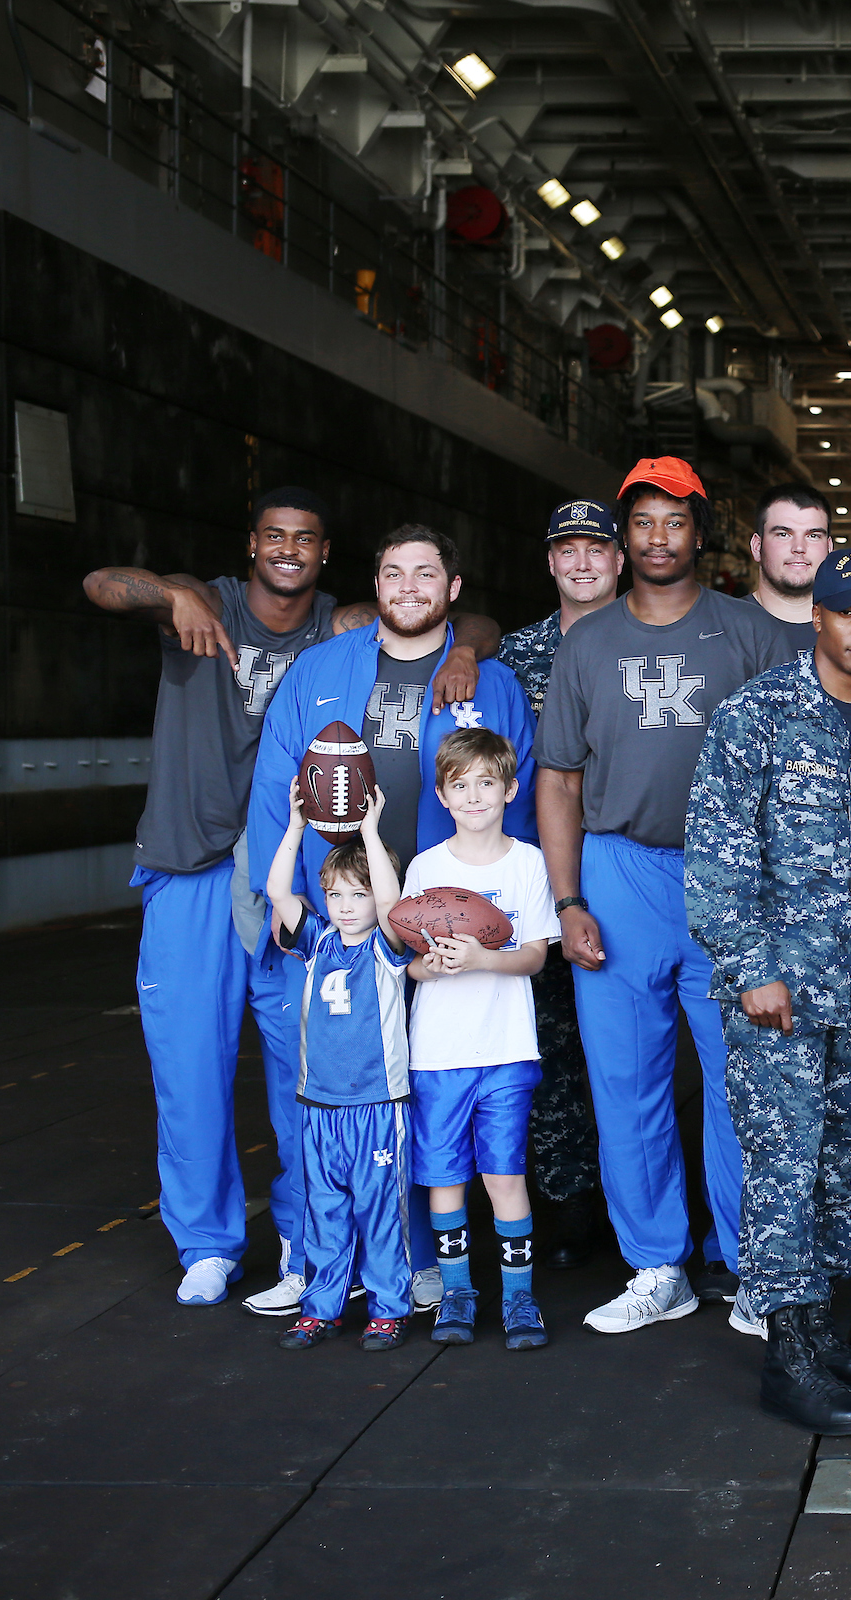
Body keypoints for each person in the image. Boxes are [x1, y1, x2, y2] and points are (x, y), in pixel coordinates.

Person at [82, 488, 495, 1311]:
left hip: (301, 873)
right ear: (251, 546)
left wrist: (468, 651)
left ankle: (309, 1243)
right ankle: (206, 1243)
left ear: (327, 553)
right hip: (195, 862)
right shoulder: (209, 605)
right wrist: (175, 593)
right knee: (191, 1064)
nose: (288, 550)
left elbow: (457, 618)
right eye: (274, 537)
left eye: (304, 539)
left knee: (310, 1067)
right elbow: (102, 583)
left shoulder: (338, 631)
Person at [247, 522, 538, 1314]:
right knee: (334, 1092)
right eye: (391, 573)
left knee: (428, 1093)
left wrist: (508, 913)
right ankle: (316, 1261)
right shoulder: (320, 669)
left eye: (425, 574)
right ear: (373, 587)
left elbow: (525, 796)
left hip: (445, 922)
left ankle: (414, 1261)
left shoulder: (492, 682)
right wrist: (281, 899)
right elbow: (279, 788)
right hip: (346, 919)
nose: (408, 587)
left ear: (453, 591)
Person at [536, 457, 794, 1335]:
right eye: (640, 522)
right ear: (623, 537)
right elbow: (561, 782)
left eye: (673, 521)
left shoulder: (749, 631)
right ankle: (657, 1265)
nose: (656, 537)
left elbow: (789, 768)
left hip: (727, 874)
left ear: (700, 531)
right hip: (619, 871)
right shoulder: (589, 642)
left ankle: (754, 1264)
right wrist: (567, 899)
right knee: (625, 1081)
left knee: (743, 1081)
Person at [685, 548, 851, 1434]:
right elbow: (717, 855)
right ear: (816, 616)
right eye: (846, 611)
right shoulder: (758, 714)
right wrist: (752, 970)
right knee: (783, 1170)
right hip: (779, 993)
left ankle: (816, 1325)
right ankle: (785, 1350)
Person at [496, 500, 626, 1272]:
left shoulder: (652, 644)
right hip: (539, 879)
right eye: (566, 550)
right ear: (549, 562)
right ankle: (570, 1207)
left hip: (630, 867)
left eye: (596, 549)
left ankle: (645, 1204)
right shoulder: (514, 656)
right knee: (551, 1046)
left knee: (635, 1053)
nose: (582, 563)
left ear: (619, 560)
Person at [402, 729, 562, 1352]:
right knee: (444, 1176)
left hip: (505, 1049)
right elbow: (408, 966)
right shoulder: (426, 867)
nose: (473, 796)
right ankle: (459, 1290)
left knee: (503, 1174)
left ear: (510, 790)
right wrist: (434, 966)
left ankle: (519, 1295)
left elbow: (533, 959)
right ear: (442, 795)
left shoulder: (525, 863)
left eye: (486, 784)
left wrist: (479, 958)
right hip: (438, 1051)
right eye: (459, 785)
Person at [263, 785, 413, 1352]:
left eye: (358, 894)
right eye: (335, 894)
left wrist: (371, 832)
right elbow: (278, 890)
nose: (346, 905)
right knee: (324, 1210)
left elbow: (396, 904)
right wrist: (297, 826)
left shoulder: (387, 947)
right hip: (320, 1105)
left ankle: (388, 1309)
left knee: (379, 1213)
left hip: (377, 1104)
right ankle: (321, 1304)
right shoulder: (318, 941)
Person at [738, 482, 834, 653]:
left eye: (813, 535)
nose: (799, 547)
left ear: (829, 548)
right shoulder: (724, 630)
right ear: (756, 546)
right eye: (783, 534)